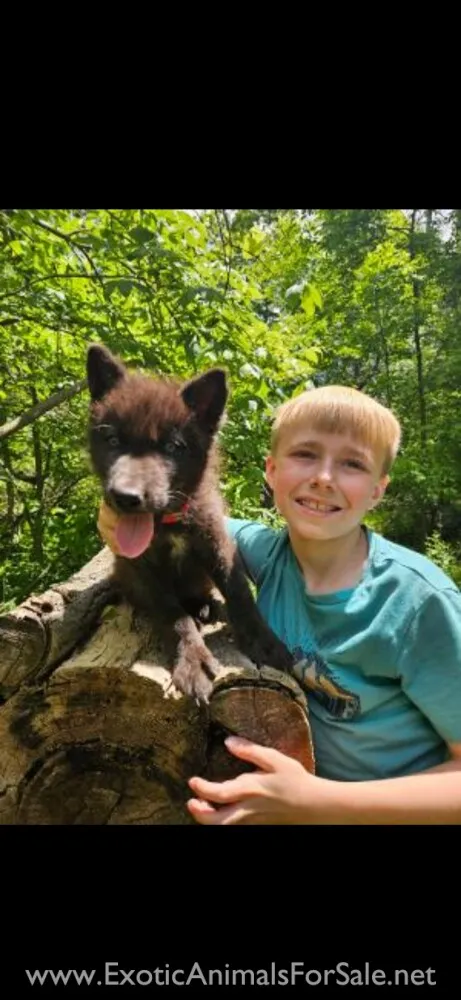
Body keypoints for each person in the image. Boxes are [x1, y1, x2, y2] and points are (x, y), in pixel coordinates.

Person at [97, 385, 461, 824]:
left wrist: (315, 801)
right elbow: (194, 517)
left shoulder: (417, 605)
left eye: (352, 463)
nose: (324, 477)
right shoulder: (267, 554)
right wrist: (121, 510)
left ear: (378, 491)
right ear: (271, 471)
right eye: (305, 454)